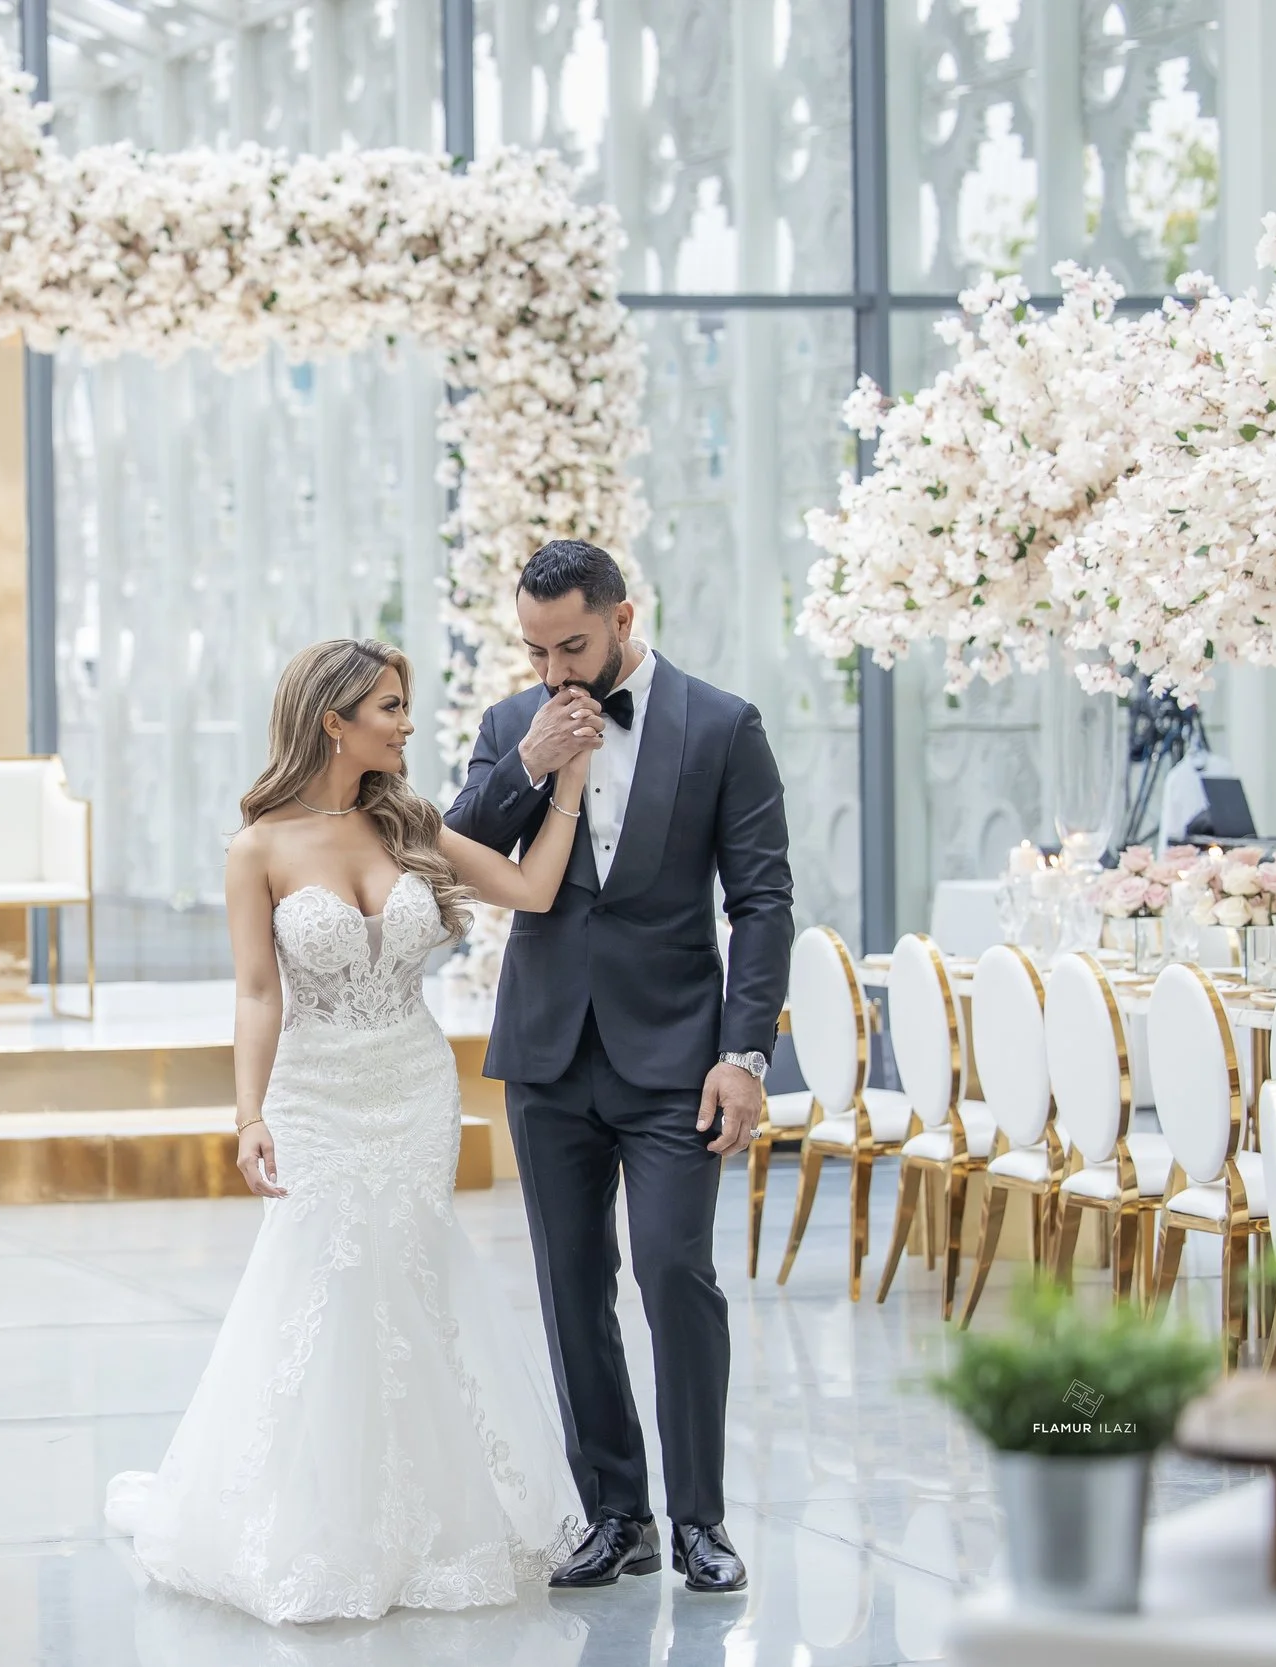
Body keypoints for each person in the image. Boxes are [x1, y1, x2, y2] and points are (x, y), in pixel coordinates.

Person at [106, 637, 595, 1626]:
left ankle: (427, 1520)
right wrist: (248, 1115)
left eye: (404, 705)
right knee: (330, 1284)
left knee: (408, 1279)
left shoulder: (406, 821)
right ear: (333, 719)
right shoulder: (259, 848)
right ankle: (321, 1523)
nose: (406, 723)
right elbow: (255, 992)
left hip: (412, 1086)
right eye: (389, 706)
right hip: (317, 1095)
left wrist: (569, 787)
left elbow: (531, 891)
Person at [445, 538, 791, 1596]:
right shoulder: (511, 724)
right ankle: (615, 1513)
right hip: (549, 1053)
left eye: (574, 644)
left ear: (624, 617)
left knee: (675, 1271)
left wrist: (742, 1052)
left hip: (676, 1058)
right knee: (569, 1284)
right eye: (537, 648)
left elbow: (761, 901)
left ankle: (702, 1522)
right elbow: (456, 849)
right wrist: (533, 761)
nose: (554, 668)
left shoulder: (723, 724)